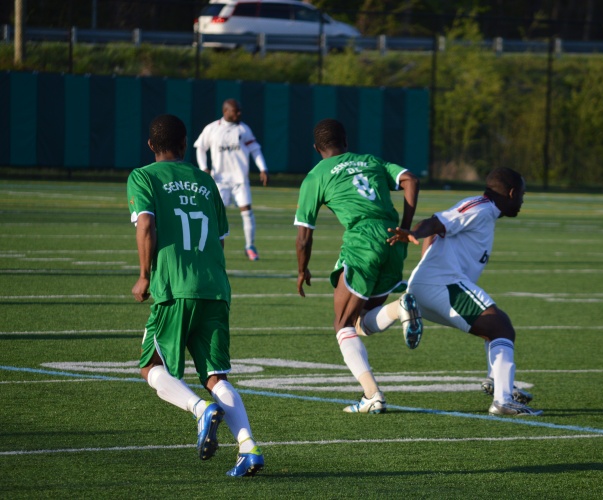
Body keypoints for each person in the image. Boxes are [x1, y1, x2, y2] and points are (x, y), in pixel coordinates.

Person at [127, 114, 264, 477]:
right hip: (215, 288)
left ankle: (200, 410)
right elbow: (220, 237)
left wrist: (144, 275)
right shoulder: (205, 181)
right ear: (185, 144)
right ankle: (249, 448)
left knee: (150, 367)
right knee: (216, 375)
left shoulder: (143, 176)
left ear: (151, 145)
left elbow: (145, 224)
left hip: (175, 287)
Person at [386, 167, 542, 416]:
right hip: (442, 286)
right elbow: (436, 222)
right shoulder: (480, 208)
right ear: (512, 193)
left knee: (493, 327)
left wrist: (426, 266)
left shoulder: (486, 212)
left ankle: (499, 384)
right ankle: (503, 401)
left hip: (434, 286)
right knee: (500, 327)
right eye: (522, 195)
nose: (522, 201)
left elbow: (439, 228)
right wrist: (413, 233)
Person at [294, 118, 423, 414]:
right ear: (346, 142)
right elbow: (410, 180)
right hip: (393, 240)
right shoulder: (369, 160)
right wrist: (404, 228)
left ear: (316, 148)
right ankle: (398, 308)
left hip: (363, 240)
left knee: (341, 325)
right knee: (359, 322)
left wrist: (302, 270)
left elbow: (303, 237)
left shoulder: (316, 175)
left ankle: (372, 394)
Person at [194, 98, 269, 261]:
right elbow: (200, 147)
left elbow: (255, 150)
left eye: (240, 110)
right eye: (236, 111)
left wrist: (263, 168)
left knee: (247, 211)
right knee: (216, 214)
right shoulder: (212, 129)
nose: (239, 113)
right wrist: (203, 167)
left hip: (240, 179)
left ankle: (250, 246)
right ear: (226, 111)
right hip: (219, 180)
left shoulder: (243, 129)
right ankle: (212, 246)